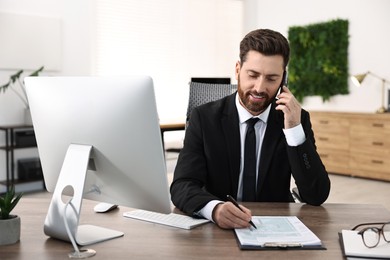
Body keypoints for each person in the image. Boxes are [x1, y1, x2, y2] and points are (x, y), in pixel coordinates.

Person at [170, 28, 331, 229]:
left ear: (283, 80)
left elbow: (316, 195)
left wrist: (293, 131)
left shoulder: (296, 119)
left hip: (275, 228)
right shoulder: (204, 118)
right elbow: (181, 185)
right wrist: (214, 209)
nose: (259, 88)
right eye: (253, 75)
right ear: (238, 69)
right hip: (218, 230)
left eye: (272, 79)